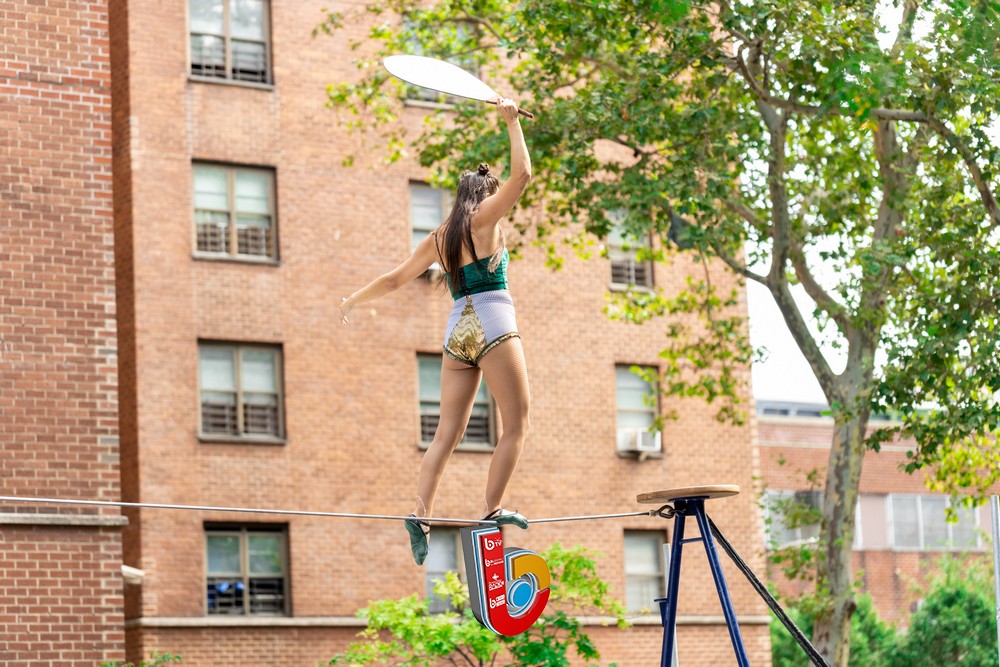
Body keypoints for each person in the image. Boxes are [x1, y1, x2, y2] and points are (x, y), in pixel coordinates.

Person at [339, 98, 532, 565]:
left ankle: (420, 514)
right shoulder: (484, 220)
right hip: (492, 321)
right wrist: (511, 122)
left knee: (446, 432)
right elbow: (523, 176)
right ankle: (492, 508)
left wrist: (352, 300)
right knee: (516, 424)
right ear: (485, 196)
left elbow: (394, 280)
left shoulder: (439, 237)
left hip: (456, 332)